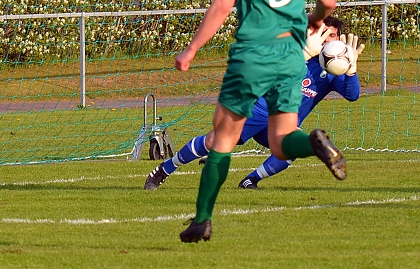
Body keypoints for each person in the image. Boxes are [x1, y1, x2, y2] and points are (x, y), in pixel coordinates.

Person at [174, 0, 345, 243]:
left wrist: (191, 49)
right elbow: (329, 1)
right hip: (290, 56)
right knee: (282, 141)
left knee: (224, 136)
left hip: (253, 54)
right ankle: (312, 143)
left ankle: (202, 219)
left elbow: (224, 5)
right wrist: (315, 20)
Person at [147, 17, 364, 191]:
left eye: (332, 35)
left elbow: (353, 95)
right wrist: (304, 53)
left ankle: (251, 180)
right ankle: (164, 169)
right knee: (214, 141)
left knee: (290, 148)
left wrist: (351, 69)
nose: (327, 40)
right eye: (323, 33)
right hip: (257, 108)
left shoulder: (334, 70)